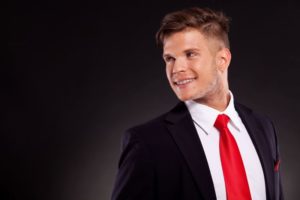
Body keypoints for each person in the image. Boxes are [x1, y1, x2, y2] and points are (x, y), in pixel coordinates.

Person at [111, 7, 283, 200]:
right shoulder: (146, 143)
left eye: (190, 54)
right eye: (170, 59)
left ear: (222, 59)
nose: (177, 68)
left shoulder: (263, 126)